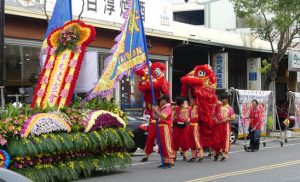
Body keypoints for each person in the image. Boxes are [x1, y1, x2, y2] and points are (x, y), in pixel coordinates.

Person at [152, 94, 175, 168]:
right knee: (162, 145)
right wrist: (155, 113)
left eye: (161, 100)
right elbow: (158, 117)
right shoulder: (163, 108)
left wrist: (156, 111)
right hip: (161, 127)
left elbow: (164, 116)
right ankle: (165, 161)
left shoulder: (168, 107)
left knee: (167, 144)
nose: (160, 101)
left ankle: (171, 162)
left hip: (165, 127)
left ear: (164, 100)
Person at [212, 93, 235, 161]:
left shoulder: (230, 108)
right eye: (221, 99)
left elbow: (233, 117)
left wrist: (226, 119)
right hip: (218, 125)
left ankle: (224, 154)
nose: (222, 100)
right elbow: (213, 115)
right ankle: (216, 153)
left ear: (226, 99)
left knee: (225, 140)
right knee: (216, 141)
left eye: (224, 99)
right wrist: (215, 119)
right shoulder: (218, 107)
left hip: (226, 126)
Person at [187, 96, 204, 162]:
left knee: (197, 140)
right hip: (190, 126)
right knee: (191, 141)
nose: (190, 101)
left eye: (191, 100)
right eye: (190, 100)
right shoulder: (191, 108)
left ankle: (201, 155)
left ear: (194, 100)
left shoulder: (197, 107)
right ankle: (193, 156)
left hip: (195, 126)